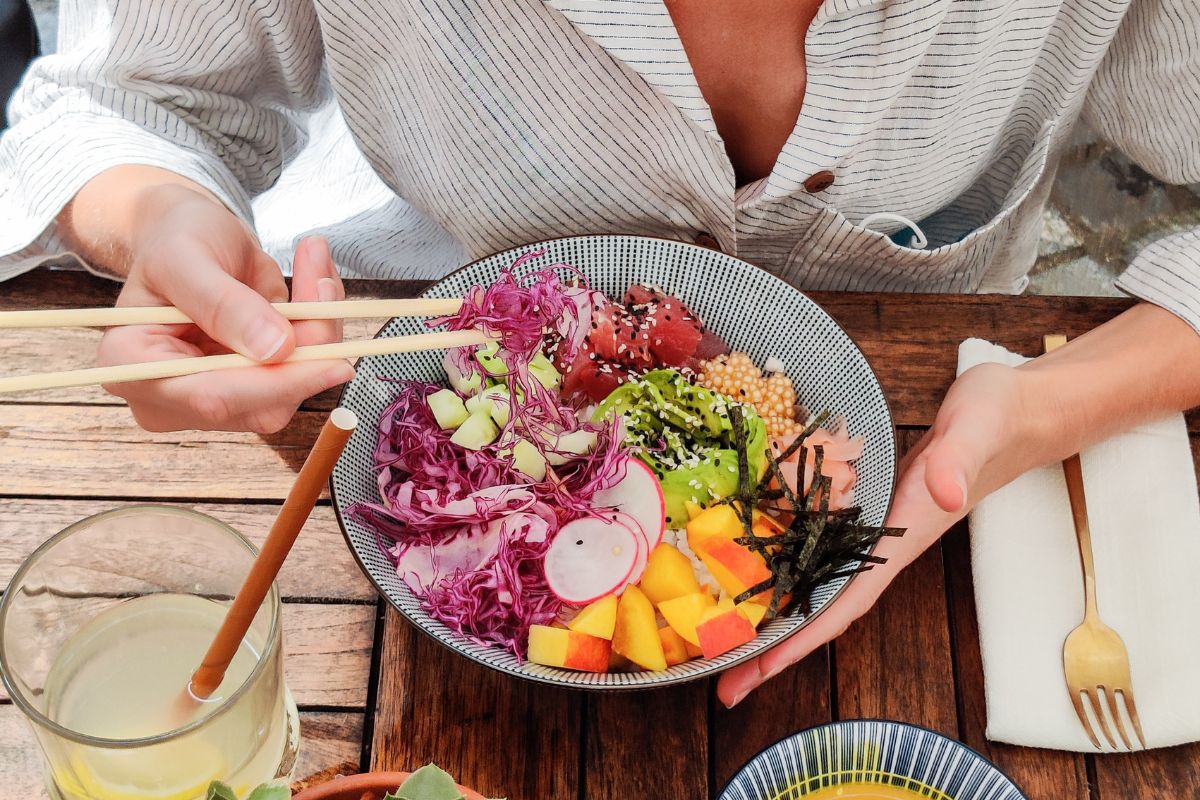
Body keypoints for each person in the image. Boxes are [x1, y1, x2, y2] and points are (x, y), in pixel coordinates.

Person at [1, 0, 1198, 706]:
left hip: (939, 528)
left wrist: (1044, 403)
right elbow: (123, 99)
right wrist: (161, 215)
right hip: (375, 400)